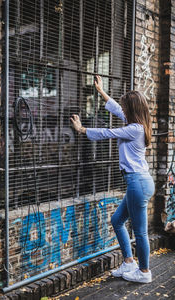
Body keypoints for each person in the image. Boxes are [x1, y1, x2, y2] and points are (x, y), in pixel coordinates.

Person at [70, 75, 155, 283]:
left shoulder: (134, 129)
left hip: (138, 183)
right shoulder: (136, 123)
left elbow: (109, 132)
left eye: (126, 107)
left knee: (141, 232)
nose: (122, 110)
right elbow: (117, 108)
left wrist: (82, 129)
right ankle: (128, 262)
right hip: (138, 182)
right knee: (117, 220)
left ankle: (144, 272)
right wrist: (101, 92)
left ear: (132, 110)